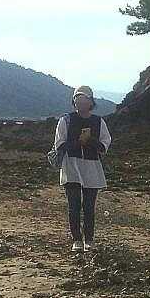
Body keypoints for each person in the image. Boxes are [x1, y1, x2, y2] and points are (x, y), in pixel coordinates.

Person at [51, 86, 112, 254]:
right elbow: (59, 144)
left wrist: (90, 140)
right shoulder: (66, 120)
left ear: (90, 102)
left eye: (84, 100)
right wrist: (78, 142)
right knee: (74, 205)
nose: (80, 103)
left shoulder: (99, 122)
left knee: (89, 206)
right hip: (71, 165)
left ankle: (89, 239)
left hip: (92, 167)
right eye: (77, 100)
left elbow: (104, 145)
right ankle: (77, 239)